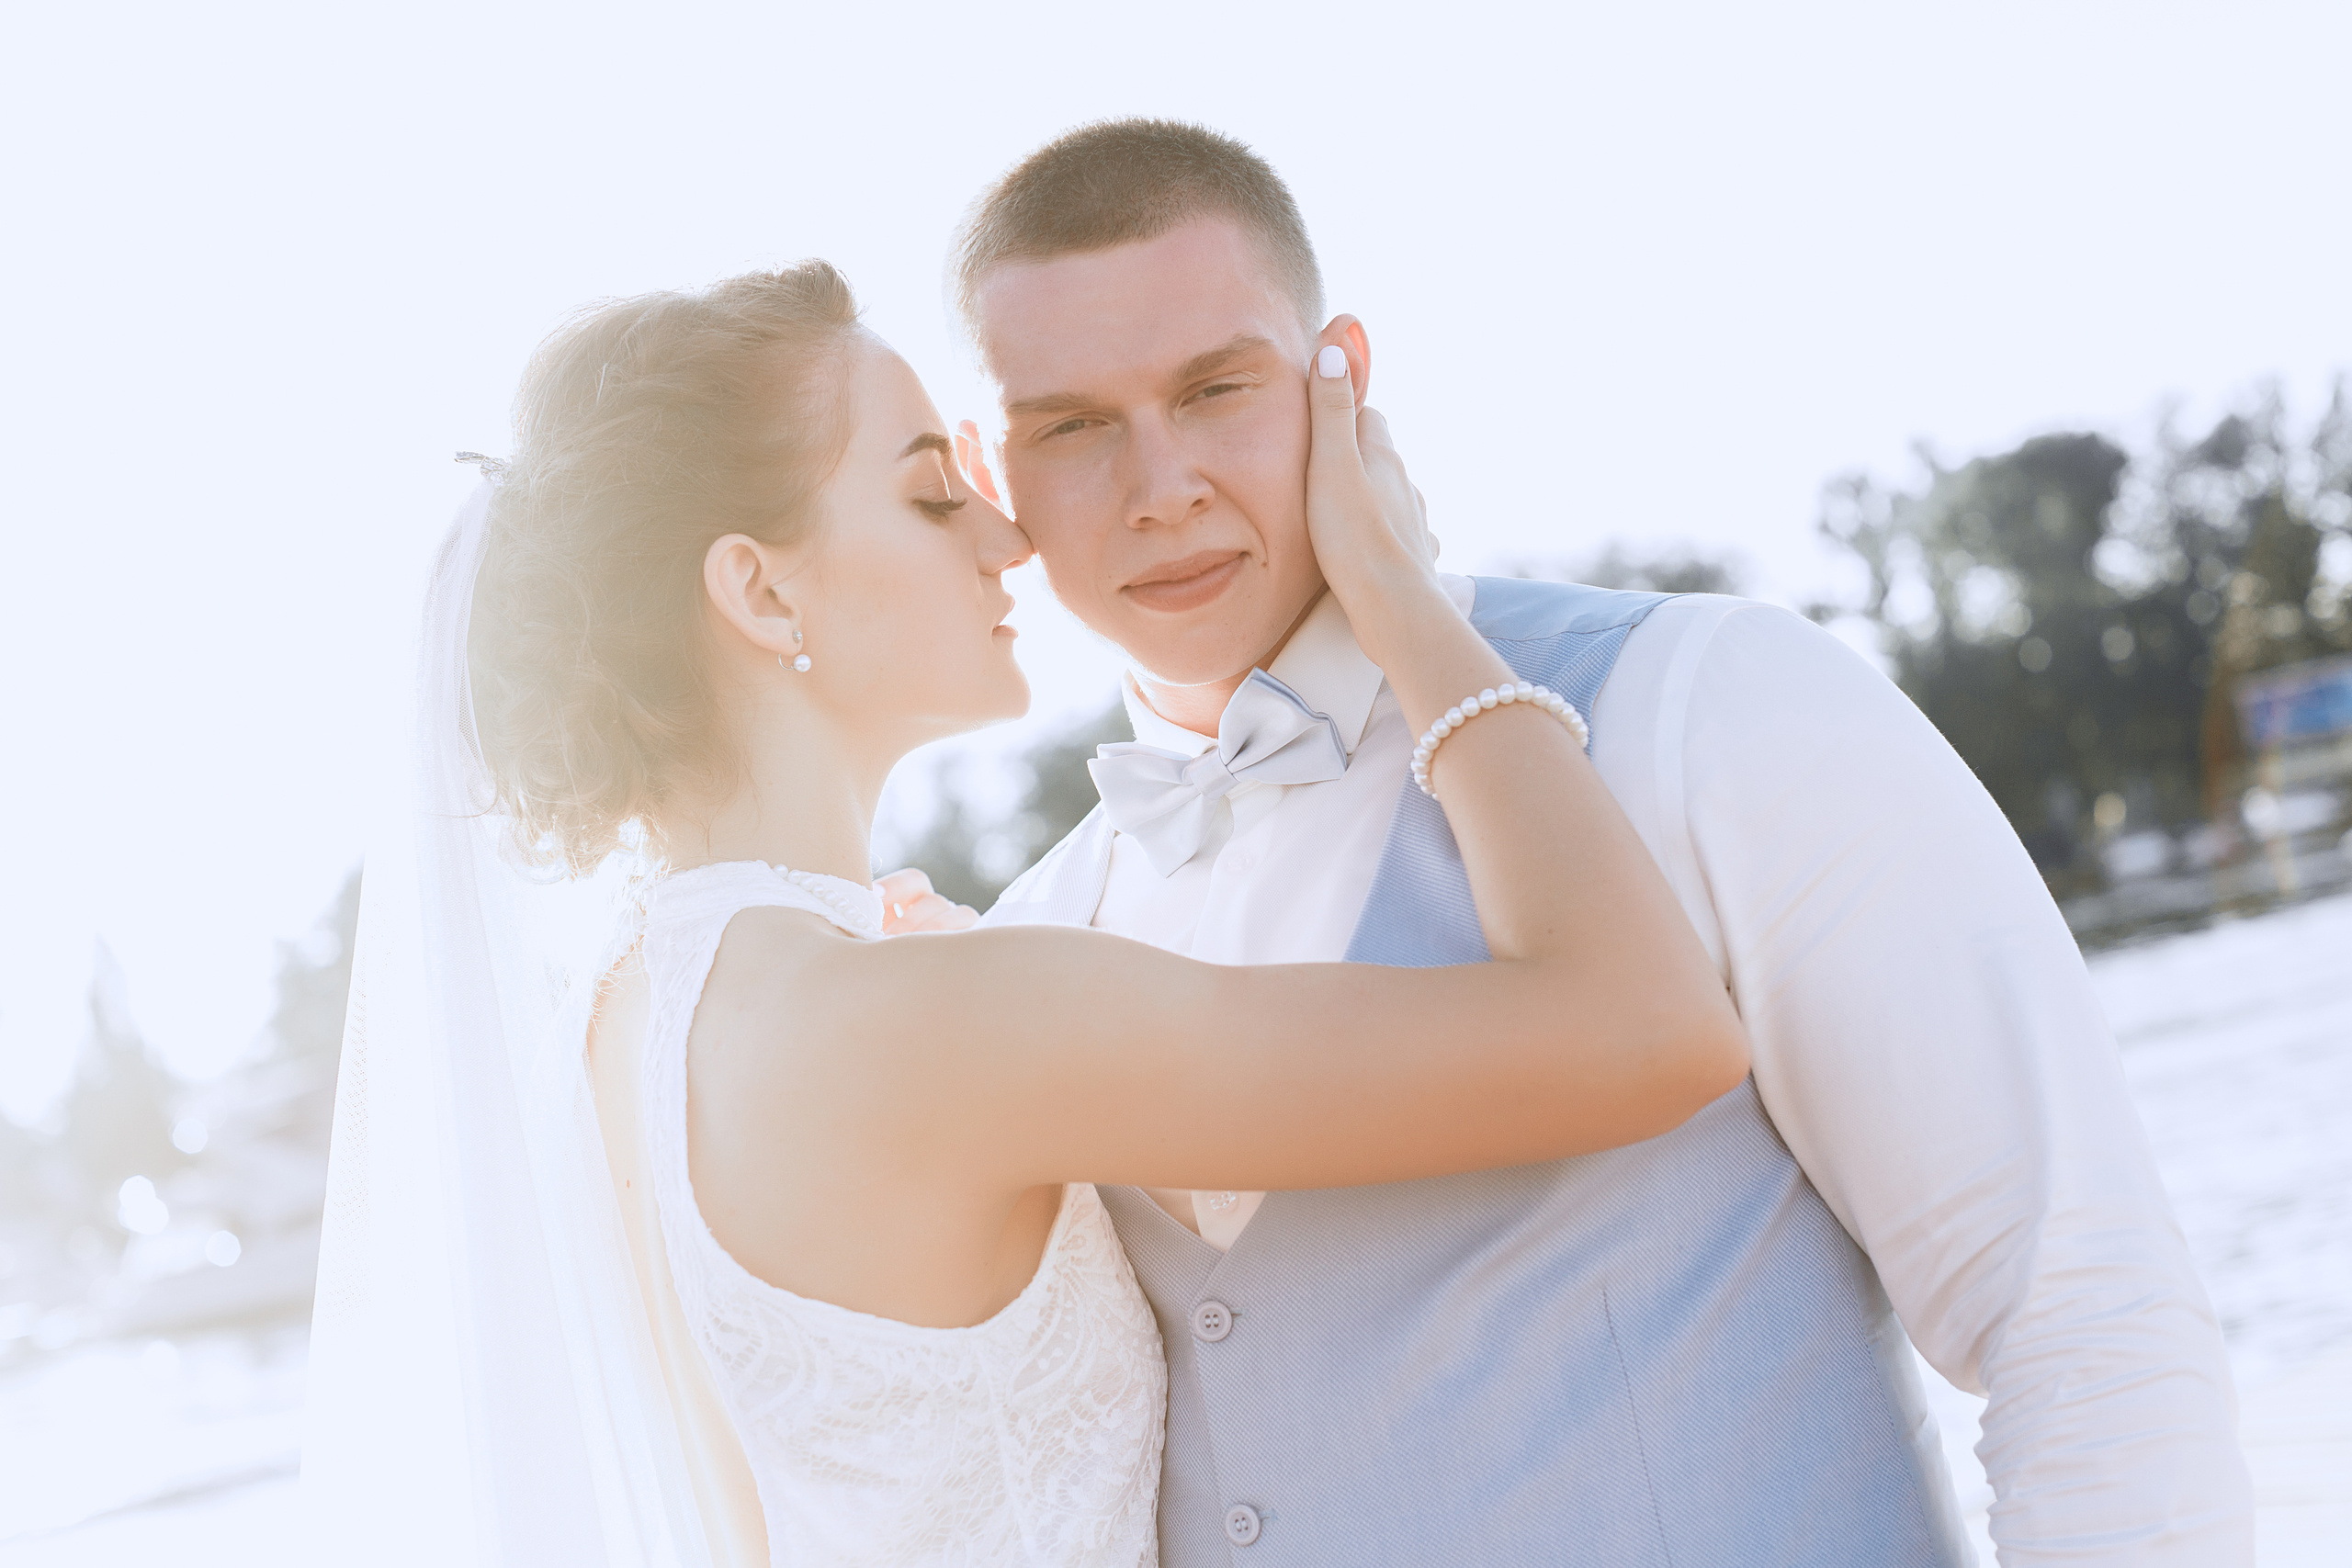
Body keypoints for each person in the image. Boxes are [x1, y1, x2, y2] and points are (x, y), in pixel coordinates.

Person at [301, 261, 1747, 1567]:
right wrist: (1398, 591)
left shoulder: (618, 1028)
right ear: (755, 588)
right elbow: (1650, 1028)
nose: (1007, 540)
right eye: (934, 492)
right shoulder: (906, 1021)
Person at [963, 120, 2254, 1565]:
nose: (1160, 486)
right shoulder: (1026, 936)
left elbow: (2080, 1311)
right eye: (1071, 425)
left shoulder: (1711, 707)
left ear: (1344, 382)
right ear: (987, 470)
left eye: (1216, 389)